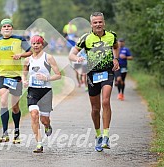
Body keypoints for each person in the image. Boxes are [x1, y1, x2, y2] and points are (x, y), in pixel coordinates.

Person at [69, 12, 119, 152]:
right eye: (95, 22)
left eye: (100, 22)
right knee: (95, 108)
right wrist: (77, 59)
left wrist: (115, 59)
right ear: (91, 24)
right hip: (92, 75)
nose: (98, 24)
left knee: (105, 101)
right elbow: (71, 54)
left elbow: (115, 47)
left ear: (104, 23)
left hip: (107, 72)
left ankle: (106, 135)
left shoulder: (111, 35)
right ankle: (98, 135)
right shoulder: (85, 38)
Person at [0, 18, 32, 144]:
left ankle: (16, 132)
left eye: (9, 26)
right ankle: (5, 133)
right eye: (4, 26)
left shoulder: (19, 39)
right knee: (3, 102)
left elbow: (30, 52)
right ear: (1, 29)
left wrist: (20, 55)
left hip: (15, 76)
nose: (6, 28)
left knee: (15, 107)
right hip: (2, 75)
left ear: (12, 28)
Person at [22, 35, 61, 153]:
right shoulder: (28, 59)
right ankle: (39, 143)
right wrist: (24, 80)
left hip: (46, 92)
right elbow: (23, 73)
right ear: (31, 45)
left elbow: (58, 75)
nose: (36, 46)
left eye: (38, 43)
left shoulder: (48, 57)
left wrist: (47, 78)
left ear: (42, 45)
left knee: (44, 120)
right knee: (34, 114)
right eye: (33, 44)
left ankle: (48, 126)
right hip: (33, 91)